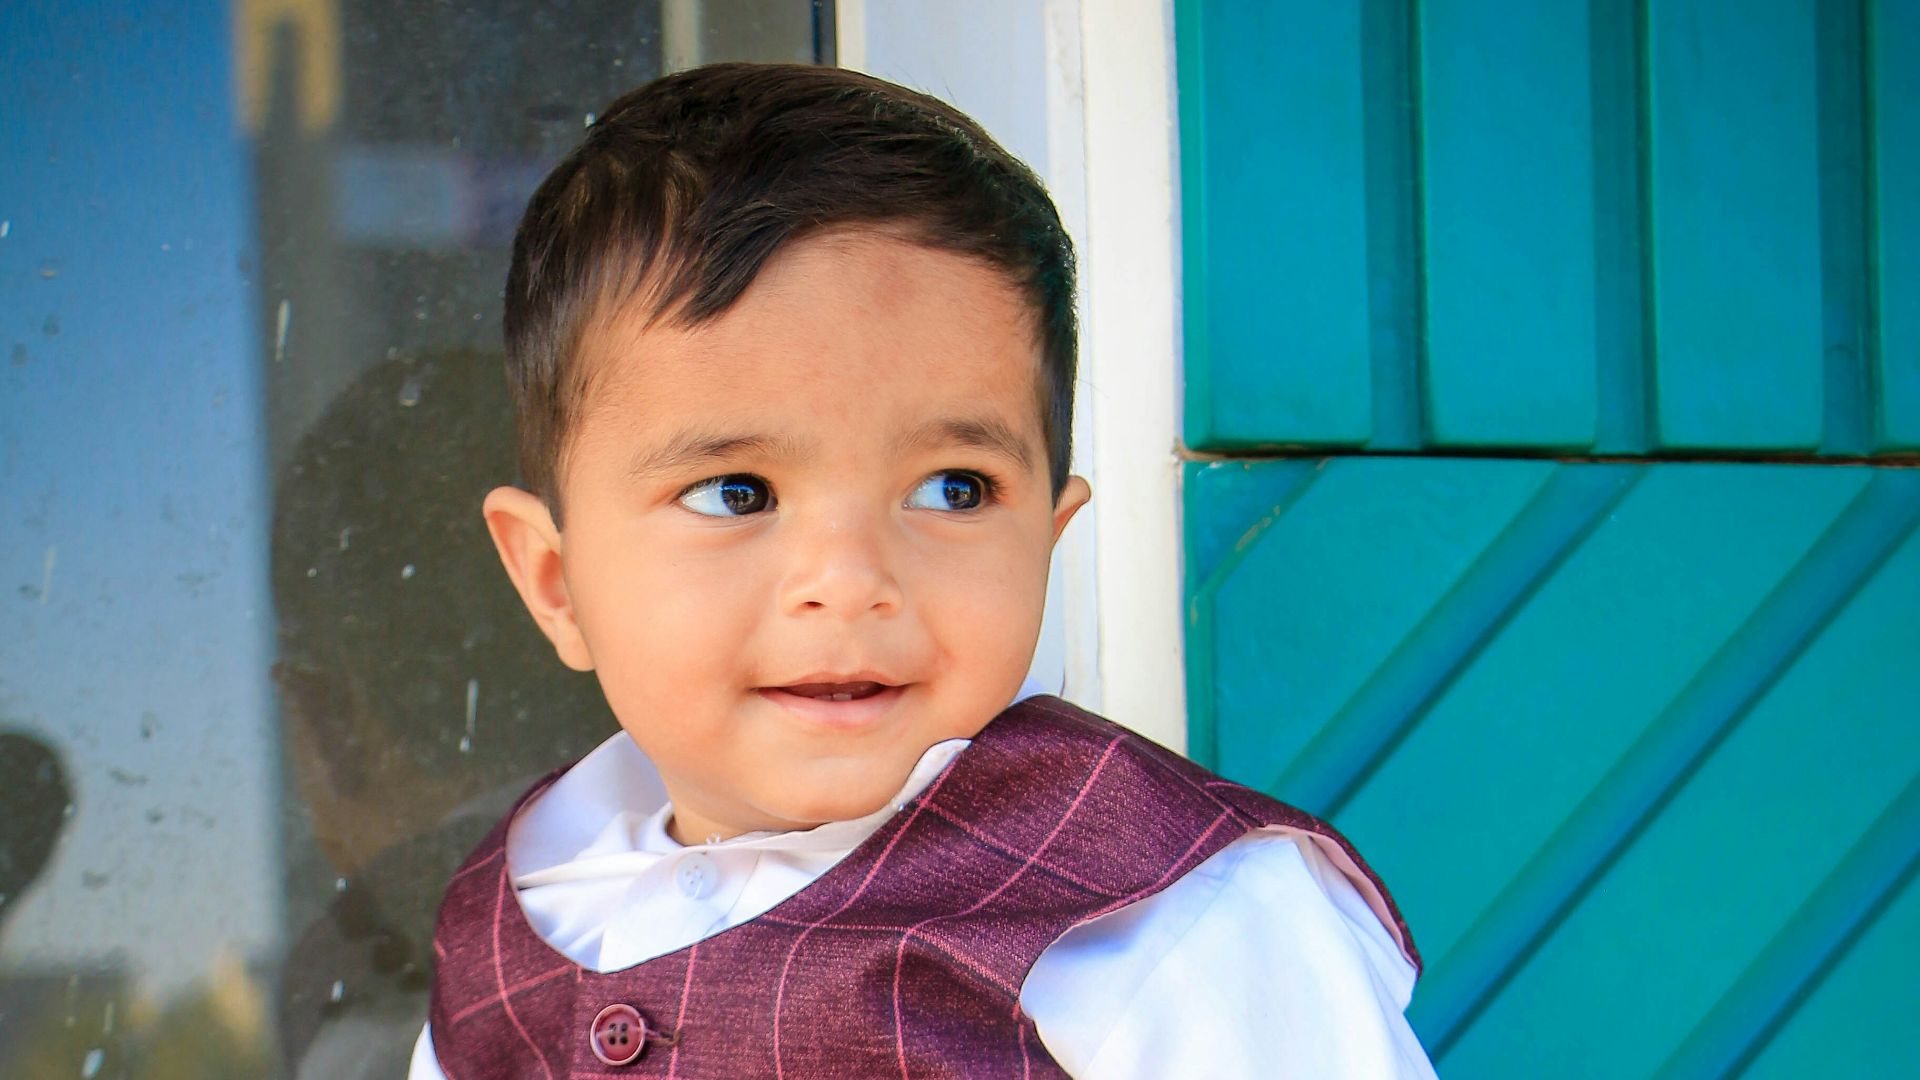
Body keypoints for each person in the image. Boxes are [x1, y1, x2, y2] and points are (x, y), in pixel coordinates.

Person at [412, 62, 1436, 1078]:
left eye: (954, 489)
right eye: (737, 493)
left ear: (1046, 539)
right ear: (556, 583)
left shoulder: (1169, 917)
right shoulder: (517, 918)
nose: (850, 579)